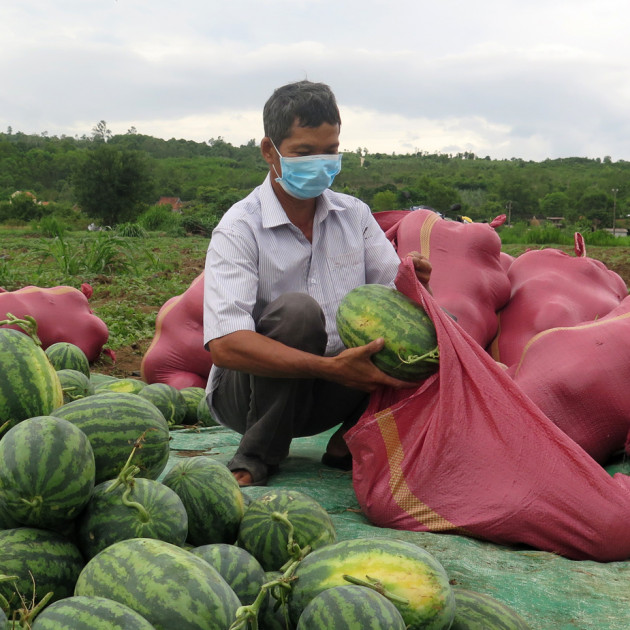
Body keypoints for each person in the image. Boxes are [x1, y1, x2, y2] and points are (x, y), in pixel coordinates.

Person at [203, 80, 432, 487]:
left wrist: (414, 282)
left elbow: (393, 297)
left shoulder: (354, 215)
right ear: (269, 151)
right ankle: (256, 455)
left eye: (330, 150)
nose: (320, 163)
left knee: (425, 338)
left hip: (331, 393)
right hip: (252, 398)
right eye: (304, 153)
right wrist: (330, 368)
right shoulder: (239, 227)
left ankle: (349, 441)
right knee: (298, 312)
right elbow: (224, 343)